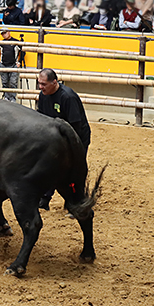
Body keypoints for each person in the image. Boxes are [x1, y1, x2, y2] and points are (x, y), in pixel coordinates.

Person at [36, 68, 90, 210]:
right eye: (39, 84)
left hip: (76, 138)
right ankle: (45, 199)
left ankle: (77, 202)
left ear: (54, 82)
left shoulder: (67, 97)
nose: (41, 87)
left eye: (44, 84)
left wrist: (70, 147)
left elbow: (75, 125)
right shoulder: (43, 96)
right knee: (49, 167)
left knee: (74, 170)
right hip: (55, 139)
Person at [0, 27, 20, 102]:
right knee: (4, 82)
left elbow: (23, 51)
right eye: (2, 34)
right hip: (3, 65)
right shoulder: (2, 43)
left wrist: (19, 62)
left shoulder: (16, 42)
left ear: (9, 32)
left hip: (13, 65)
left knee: (13, 82)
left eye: (5, 33)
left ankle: (12, 98)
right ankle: (6, 97)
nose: (4, 35)